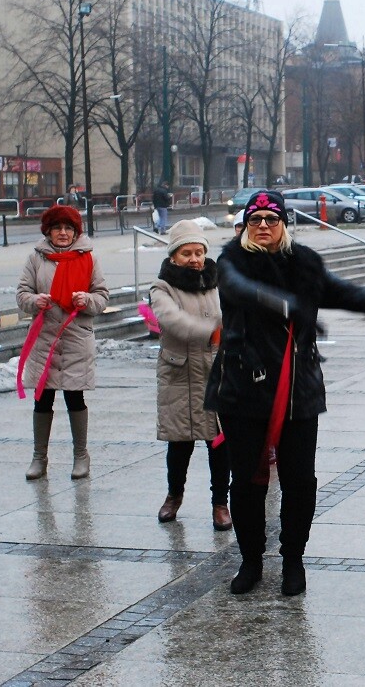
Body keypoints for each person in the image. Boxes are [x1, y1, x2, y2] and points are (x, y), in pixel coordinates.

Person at [204, 190, 365, 596]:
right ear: (244, 225)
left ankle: (293, 558)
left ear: (283, 225)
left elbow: (353, 296)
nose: (263, 225)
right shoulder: (230, 262)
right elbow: (240, 290)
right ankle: (251, 560)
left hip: (298, 389)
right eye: (256, 219)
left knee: (299, 480)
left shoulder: (303, 266)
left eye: (271, 219)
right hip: (243, 387)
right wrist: (286, 306)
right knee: (246, 481)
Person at [16, 205, 109, 481]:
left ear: (76, 231)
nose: (63, 233)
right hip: (44, 339)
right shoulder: (36, 258)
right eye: (57, 228)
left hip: (75, 339)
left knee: (74, 397)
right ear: (48, 231)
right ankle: (39, 458)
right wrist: (34, 301)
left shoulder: (89, 258)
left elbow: (102, 295)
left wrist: (87, 301)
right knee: (42, 399)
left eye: (68, 228)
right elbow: (22, 293)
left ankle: (81, 456)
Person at [150, 220, 232, 531]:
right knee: (179, 443)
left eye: (199, 252)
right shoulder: (161, 288)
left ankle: (220, 503)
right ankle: (174, 496)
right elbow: (171, 320)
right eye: (187, 253)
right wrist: (213, 330)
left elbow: (233, 314)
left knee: (219, 443)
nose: (195, 259)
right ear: (174, 256)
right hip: (178, 374)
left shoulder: (217, 282)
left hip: (216, 373)